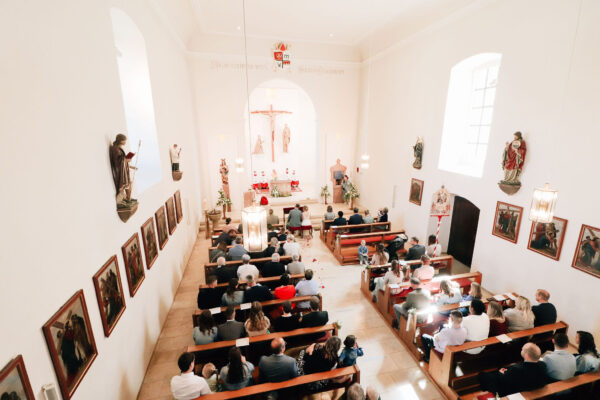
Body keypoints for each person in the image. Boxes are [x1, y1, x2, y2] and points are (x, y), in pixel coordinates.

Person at [478, 343, 548, 396]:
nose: (521, 350)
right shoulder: (543, 365)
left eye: (522, 349)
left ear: (527, 355)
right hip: (530, 385)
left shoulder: (516, 369)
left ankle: (489, 394)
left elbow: (504, 380)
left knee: (482, 375)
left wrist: (501, 373)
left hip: (511, 390)